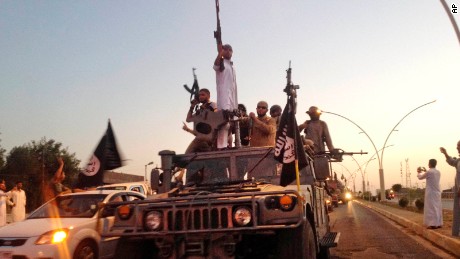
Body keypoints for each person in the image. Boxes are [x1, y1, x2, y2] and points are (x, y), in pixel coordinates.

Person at [213, 43, 238, 149]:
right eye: (226, 49)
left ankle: (231, 145)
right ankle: (221, 146)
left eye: (230, 50)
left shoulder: (232, 66)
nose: (228, 51)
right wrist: (220, 54)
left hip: (233, 98)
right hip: (224, 98)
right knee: (224, 123)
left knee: (234, 122)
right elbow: (215, 65)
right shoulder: (221, 63)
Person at [183, 88, 218, 153]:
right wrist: (192, 106)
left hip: (212, 136)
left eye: (203, 95)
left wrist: (207, 110)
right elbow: (188, 119)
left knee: (187, 153)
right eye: (199, 95)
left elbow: (216, 114)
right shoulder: (199, 110)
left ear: (208, 96)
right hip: (203, 138)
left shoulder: (212, 104)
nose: (200, 97)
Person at [440, 141, 460, 236]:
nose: (457, 148)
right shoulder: (458, 161)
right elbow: (451, 161)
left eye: (458, 146)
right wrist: (445, 153)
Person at [417, 159, 443, 229]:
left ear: (430, 164)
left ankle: (432, 224)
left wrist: (418, 172)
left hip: (431, 192)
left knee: (431, 208)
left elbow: (420, 177)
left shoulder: (429, 172)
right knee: (437, 208)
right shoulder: (438, 172)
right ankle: (439, 223)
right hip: (437, 192)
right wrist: (426, 171)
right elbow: (431, 176)